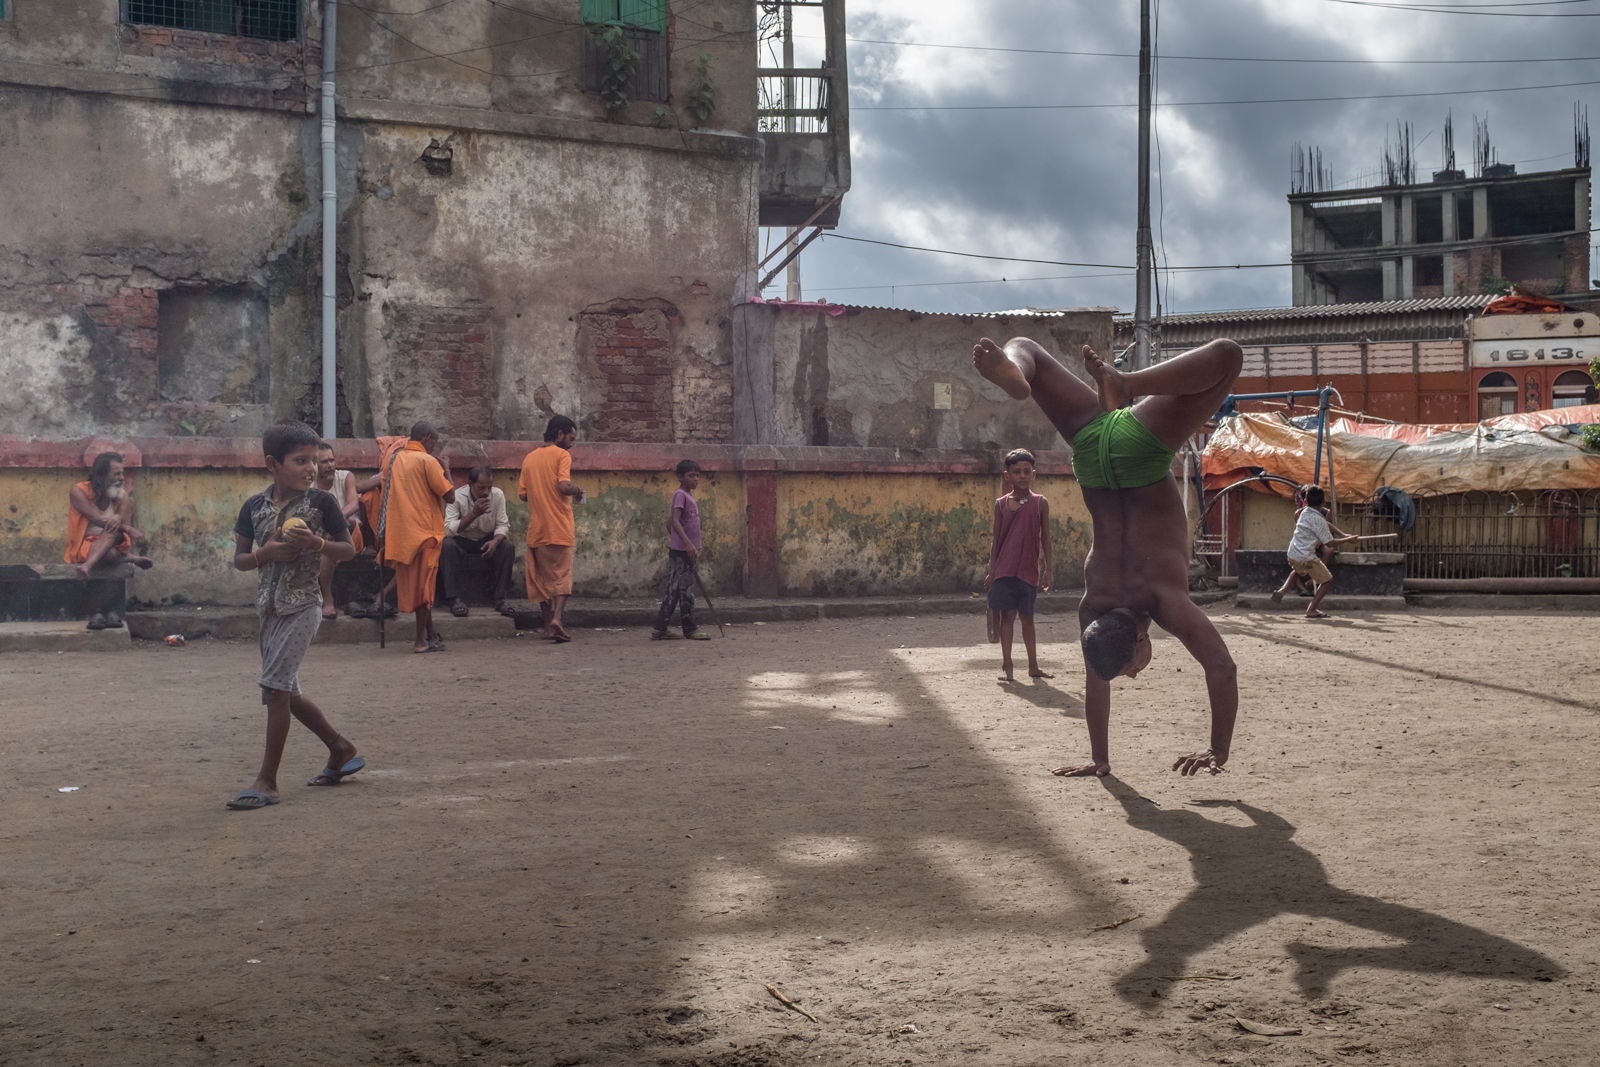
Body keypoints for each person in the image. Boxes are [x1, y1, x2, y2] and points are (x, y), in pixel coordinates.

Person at [971, 334, 1242, 778]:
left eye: (1130, 668)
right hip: (1091, 456)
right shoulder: (1091, 606)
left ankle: (1127, 381)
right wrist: (1099, 759)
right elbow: (1096, 679)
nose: (1133, 676)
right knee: (1027, 346)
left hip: (1140, 454)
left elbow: (1223, 668)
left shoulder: (1160, 599)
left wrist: (1219, 749)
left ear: (1140, 639)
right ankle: (1023, 371)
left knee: (1229, 357)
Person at [227, 420, 361, 811]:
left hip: (303, 605)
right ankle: (340, 747)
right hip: (268, 610)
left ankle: (267, 781)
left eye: (315, 461)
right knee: (286, 690)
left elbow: (348, 549)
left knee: (275, 689)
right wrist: (264, 554)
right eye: (301, 461)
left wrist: (317, 542)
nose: (312, 469)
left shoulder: (322, 504)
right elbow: (240, 560)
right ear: (273, 464)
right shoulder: (254, 507)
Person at [380, 421, 456, 653]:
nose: (435, 446)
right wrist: (447, 470)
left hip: (402, 535)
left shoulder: (393, 460)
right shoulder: (427, 461)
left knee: (422, 589)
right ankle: (419, 642)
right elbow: (451, 496)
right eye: (435, 441)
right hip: (425, 535)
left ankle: (430, 635)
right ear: (427, 438)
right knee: (425, 591)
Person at [986, 447, 1054, 682]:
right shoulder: (1000, 505)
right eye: (1017, 472)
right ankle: (1007, 664)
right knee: (1007, 617)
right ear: (1008, 476)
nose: (1022, 476)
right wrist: (991, 572)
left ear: (1033, 474)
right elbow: (996, 542)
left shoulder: (1040, 503)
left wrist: (1049, 570)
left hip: (1028, 572)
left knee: (1028, 618)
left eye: (1027, 471)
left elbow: (1045, 538)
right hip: (1004, 571)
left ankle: (1033, 666)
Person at [519, 415, 586, 643]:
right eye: (571, 438)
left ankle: (547, 627)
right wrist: (577, 490)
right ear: (559, 435)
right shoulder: (562, 455)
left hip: (537, 530)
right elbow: (564, 486)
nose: (571, 444)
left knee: (543, 580)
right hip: (559, 527)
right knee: (562, 578)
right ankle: (557, 618)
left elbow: (523, 495)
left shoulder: (529, 458)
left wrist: (541, 490)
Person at [66, 453, 154, 625]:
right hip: (85, 546)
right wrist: (130, 530)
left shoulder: (122, 496)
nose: (122, 478)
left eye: (122, 473)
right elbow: (99, 520)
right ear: (101, 474)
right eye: (116, 474)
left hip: (112, 544)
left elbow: (118, 525)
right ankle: (109, 610)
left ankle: (96, 608)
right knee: (110, 552)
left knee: (112, 534)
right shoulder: (78, 491)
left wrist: (120, 522)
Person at [1271, 486, 1358, 618]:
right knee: (1327, 581)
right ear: (1323, 502)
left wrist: (1344, 535)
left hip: (1293, 554)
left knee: (1298, 570)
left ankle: (1282, 591)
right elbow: (1329, 543)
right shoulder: (1319, 519)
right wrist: (1347, 540)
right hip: (1306, 556)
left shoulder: (1303, 513)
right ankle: (1311, 609)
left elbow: (1325, 525)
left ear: (1305, 501)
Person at [441, 465, 515, 617]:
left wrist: (494, 542)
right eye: (481, 488)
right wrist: (474, 514)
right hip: (462, 540)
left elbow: (503, 525)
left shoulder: (497, 495)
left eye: (489, 487)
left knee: (507, 546)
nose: (486, 492)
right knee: (446, 545)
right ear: (470, 484)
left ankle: (500, 598)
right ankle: (454, 599)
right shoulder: (457, 497)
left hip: (486, 540)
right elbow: (448, 529)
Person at [652, 459, 711, 641]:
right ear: (680, 477)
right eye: (691, 475)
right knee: (685, 591)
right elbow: (675, 521)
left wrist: (677, 540)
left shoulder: (687, 496)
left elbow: (670, 523)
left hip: (681, 549)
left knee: (674, 590)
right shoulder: (681, 495)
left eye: (697, 475)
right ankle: (690, 629)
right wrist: (686, 543)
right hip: (683, 551)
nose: (696, 479)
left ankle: (660, 628)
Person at [350, 434, 408, 619]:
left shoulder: (410, 477)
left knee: (408, 559)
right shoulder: (383, 475)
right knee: (367, 498)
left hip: (403, 534)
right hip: (380, 535)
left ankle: (382, 595)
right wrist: (384, 479)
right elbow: (359, 487)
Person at [315, 441, 364, 620]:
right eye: (324, 462)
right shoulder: (308, 482)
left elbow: (353, 503)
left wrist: (334, 521)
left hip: (348, 529)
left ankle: (328, 600)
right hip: (320, 534)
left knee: (347, 523)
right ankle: (327, 598)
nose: (330, 465)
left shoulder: (345, 477)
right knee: (326, 546)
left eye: (332, 460)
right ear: (314, 464)